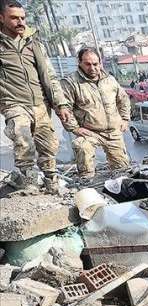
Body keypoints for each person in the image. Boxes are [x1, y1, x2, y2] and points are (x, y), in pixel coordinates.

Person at [0, 0, 72, 193]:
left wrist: (61, 104)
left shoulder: (33, 43)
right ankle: (29, 182)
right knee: (22, 138)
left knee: (48, 145)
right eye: (14, 18)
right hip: (14, 103)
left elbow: (50, 76)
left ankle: (51, 182)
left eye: (22, 18)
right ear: (2, 18)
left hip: (40, 103)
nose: (20, 22)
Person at [61, 48, 131, 180]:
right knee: (82, 148)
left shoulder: (109, 80)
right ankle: (86, 182)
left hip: (113, 132)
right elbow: (64, 108)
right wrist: (74, 128)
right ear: (79, 63)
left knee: (122, 171)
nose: (92, 68)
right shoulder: (71, 83)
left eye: (95, 64)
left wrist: (125, 119)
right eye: (87, 64)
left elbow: (123, 100)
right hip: (89, 131)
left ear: (100, 63)